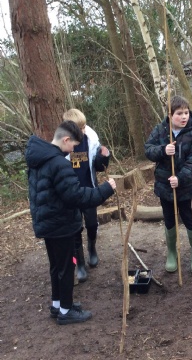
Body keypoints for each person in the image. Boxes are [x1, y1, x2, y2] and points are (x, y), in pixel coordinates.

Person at [25, 120, 116, 324]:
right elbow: (76, 196)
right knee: (67, 267)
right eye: (74, 145)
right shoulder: (59, 163)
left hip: (48, 223)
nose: (74, 150)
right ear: (66, 140)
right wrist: (105, 189)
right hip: (61, 225)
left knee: (56, 266)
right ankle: (66, 312)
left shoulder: (39, 159)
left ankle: (58, 304)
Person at [145, 95, 192, 274]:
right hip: (164, 187)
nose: (184, 116)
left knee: (189, 219)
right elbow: (148, 150)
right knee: (169, 220)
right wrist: (163, 150)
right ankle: (172, 253)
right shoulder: (160, 130)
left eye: (186, 112)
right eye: (179, 113)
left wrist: (181, 178)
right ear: (170, 115)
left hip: (185, 187)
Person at [63, 108, 110, 282]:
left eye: (84, 127)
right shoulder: (63, 144)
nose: (83, 131)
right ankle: (80, 264)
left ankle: (92, 248)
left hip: (89, 190)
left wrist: (104, 157)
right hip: (71, 194)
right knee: (75, 229)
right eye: (79, 129)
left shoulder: (91, 139)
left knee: (91, 224)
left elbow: (98, 166)